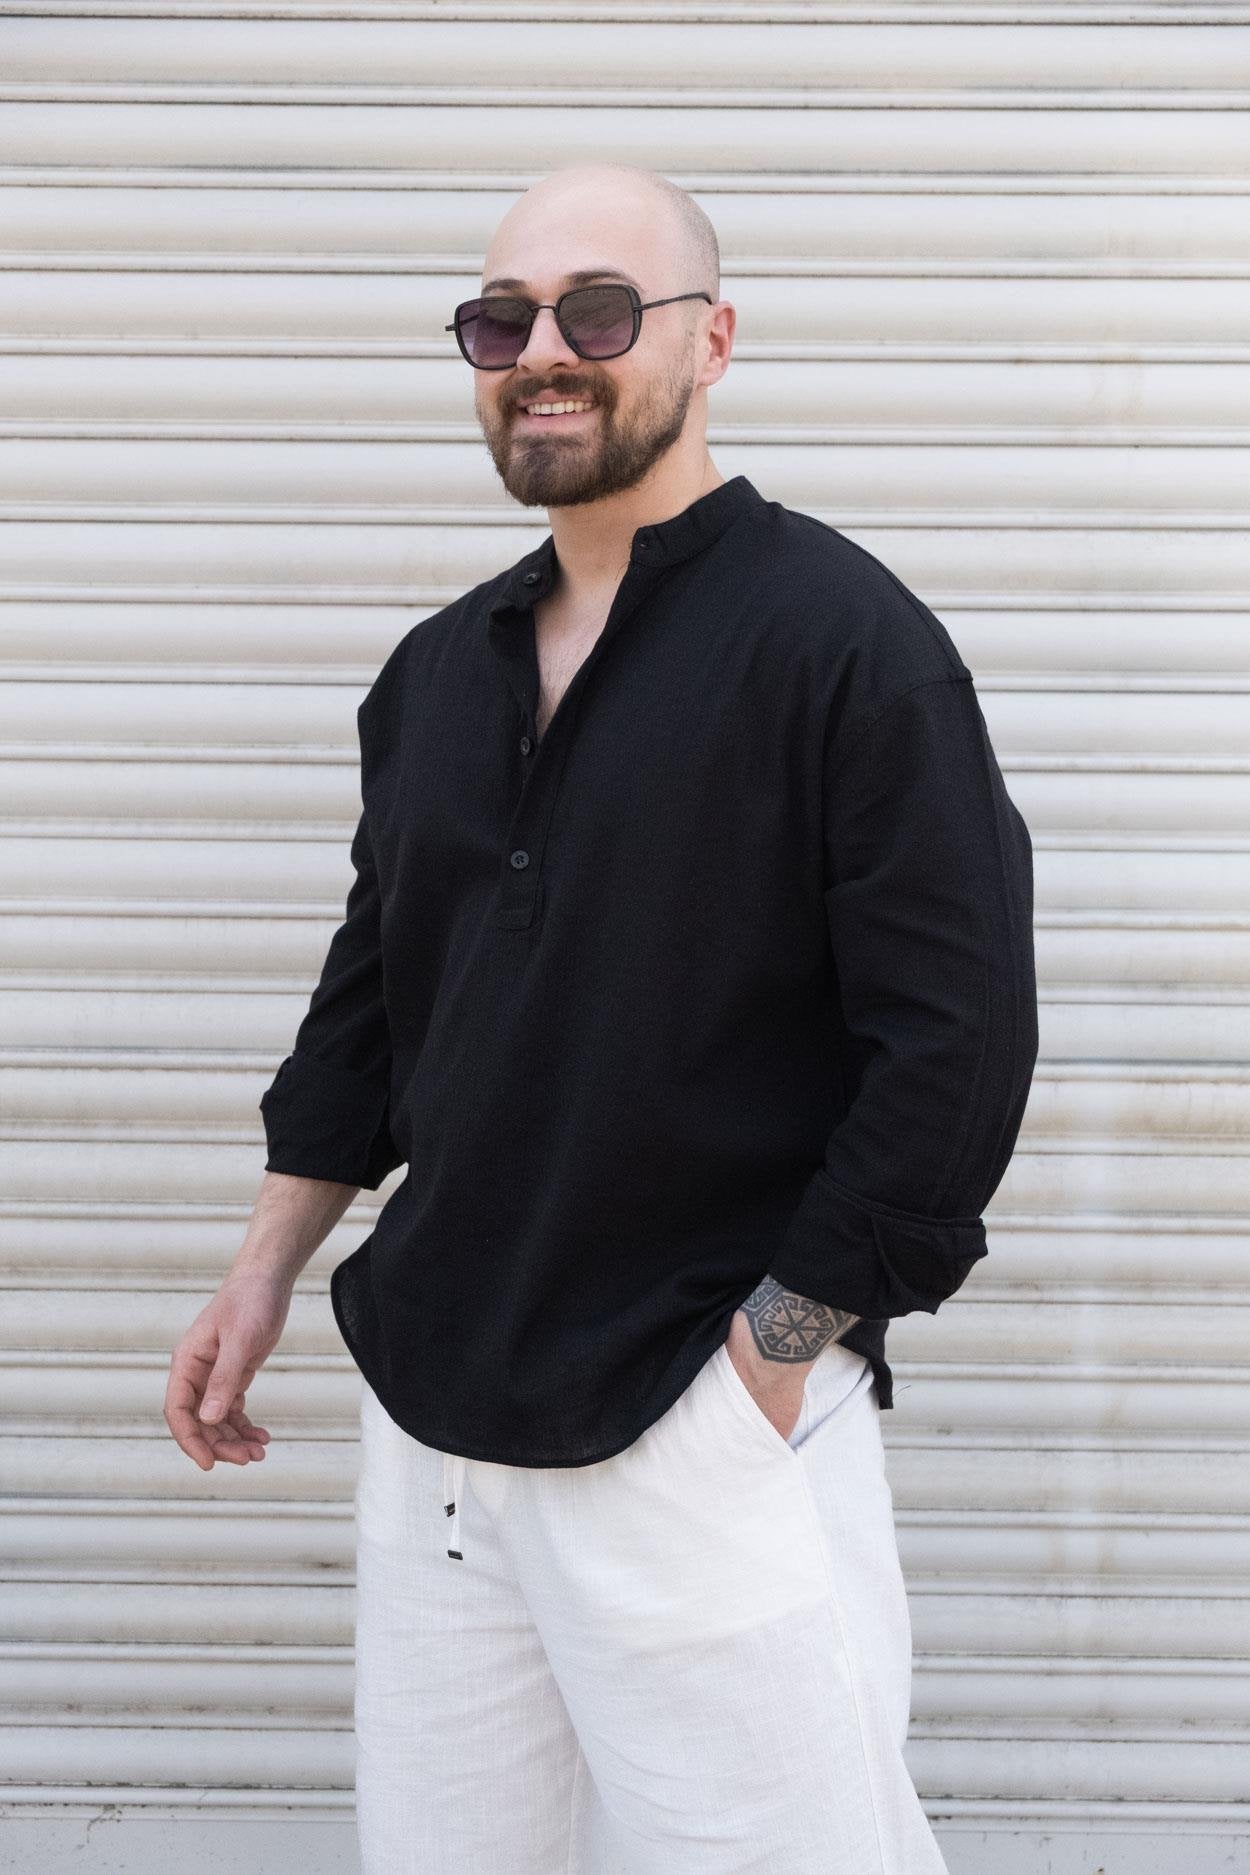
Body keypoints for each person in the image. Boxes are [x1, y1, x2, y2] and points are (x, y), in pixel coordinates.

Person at [166, 161, 1038, 1874]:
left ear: (713, 339)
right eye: (502, 321)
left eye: (599, 310)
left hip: (691, 1420)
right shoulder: (438, 671)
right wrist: (262, 1274)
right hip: (437, 1429)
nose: (544, 352)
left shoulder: (843, 645)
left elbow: (958, 1046)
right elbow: (368, 1010)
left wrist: (769, 1364)